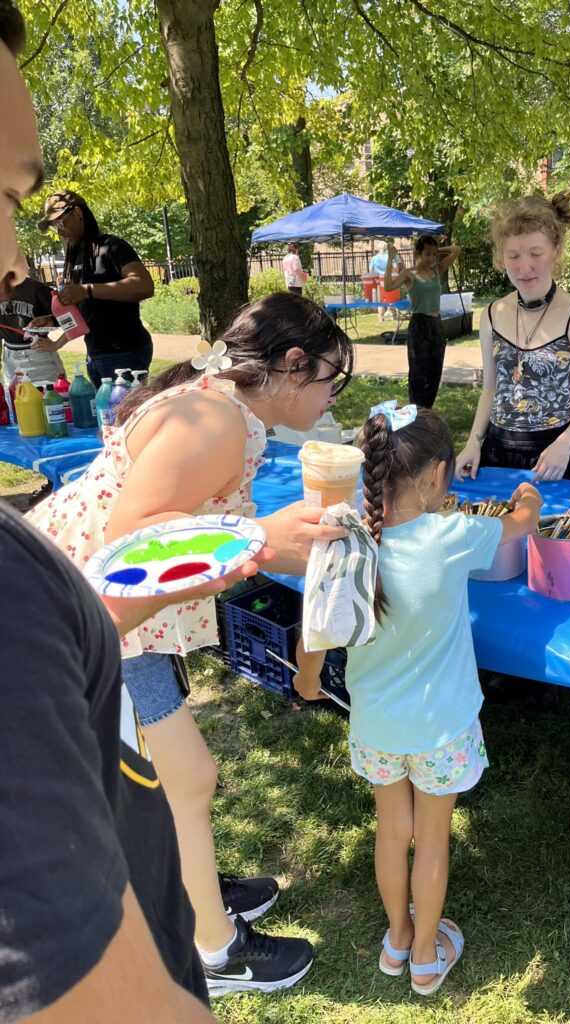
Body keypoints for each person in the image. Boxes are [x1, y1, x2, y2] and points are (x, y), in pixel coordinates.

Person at [1, 8, 250, 1017]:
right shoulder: (16, 606)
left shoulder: (108, 250)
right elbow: (122, 566)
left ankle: (206, 907)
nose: (20, 256)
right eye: (14, 202)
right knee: (182, 771)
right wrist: (249, 548)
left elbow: (136, 285)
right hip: (117, 625)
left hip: (118, 362)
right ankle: (217, 930)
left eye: (31, 204)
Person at [27, 290, 354, 997]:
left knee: (172, 776)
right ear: (293, 365)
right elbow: (129, 544)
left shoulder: (222, 408)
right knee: (188, 778)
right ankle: (217, 950)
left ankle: (192, 880)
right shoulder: (216, 420)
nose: (332, 396)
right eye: (331, 378)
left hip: (112, 606)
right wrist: (260, 539)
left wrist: (265, 536)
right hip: (95, 605)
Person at [294, 403, 542, 996]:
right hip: (443, 729)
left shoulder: (345, 537)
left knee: (391, 832)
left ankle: (398, 938)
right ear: (436, 474)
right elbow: (523, 523)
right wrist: (529, 494)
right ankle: (427, 957)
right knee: (432, 839)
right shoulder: (453, 535)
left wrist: (307, 682)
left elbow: (316, 627)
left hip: (376, 725)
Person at [455, 193, 570, 484]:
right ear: (501, 257)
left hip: (553, 458)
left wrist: (565, 444)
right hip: (496, 454)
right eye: (513, 256)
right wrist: (473, 442)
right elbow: (490, 390)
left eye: (536, 254)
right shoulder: (492, 314)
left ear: (556, 251)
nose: (524, 268)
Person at [32, 190, 155, 387]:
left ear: (78, 213)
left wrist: (87, 290)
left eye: (60, 222)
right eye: (55, 226)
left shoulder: (112, 247)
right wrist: (53, 320)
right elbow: (85, 309)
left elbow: (144, 285)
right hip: (95, 354)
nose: (59, 231)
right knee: (104, 407)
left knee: (128, 407)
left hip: (125, 352)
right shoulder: (76, 255)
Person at [383, 234, 461, 408]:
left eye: (434, 255)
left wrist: (437, 249)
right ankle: (416, 409)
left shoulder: (437, 270)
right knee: (418, 371)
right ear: (417, 253)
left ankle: (427, 410)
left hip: (436, 325)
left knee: (435, 370)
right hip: (419, 324)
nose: (431, 258)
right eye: (427, 254)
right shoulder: (409, 274)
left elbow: (457, 250)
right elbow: (388, 286)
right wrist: (390, 259)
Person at [0, 261, 65, 386]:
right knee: (16, 399)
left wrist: (56, 344)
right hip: (9, 359)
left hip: (38, 357)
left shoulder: (36, 288)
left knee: (48, 398)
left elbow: (71, 318)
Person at [369, 240, 402, 323]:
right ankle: (393, 315)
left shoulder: (374, 258)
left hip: (379, 280)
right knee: (392, 297)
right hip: (391, 279)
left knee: (380, 299)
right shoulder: (391, 257)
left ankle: (381, 318)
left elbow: (371, 271)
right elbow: (396, 268)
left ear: (378, 248)